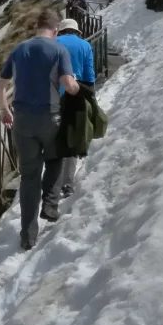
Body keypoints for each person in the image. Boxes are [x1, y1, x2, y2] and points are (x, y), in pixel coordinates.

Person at [0, 9, 79, 250]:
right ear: (55, 30)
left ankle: (27, 234)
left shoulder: (19, 49)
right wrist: (77, 89)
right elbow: (67, 84)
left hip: (21, 121)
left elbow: (0, 87)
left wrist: (4, 110)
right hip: (49, 118)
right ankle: (50, 204)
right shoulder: (59, 50)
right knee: (55, 158)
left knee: (29, 177)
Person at [54, 18, 95, 199]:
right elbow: (89, 74)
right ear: (76, 31)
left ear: (61, 31)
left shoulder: (53, 43)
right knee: (72, 139)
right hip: (75, 95)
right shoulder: (84, 45)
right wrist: (90, 96)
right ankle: (67, 184)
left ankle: (52, 181)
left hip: (54, 96)